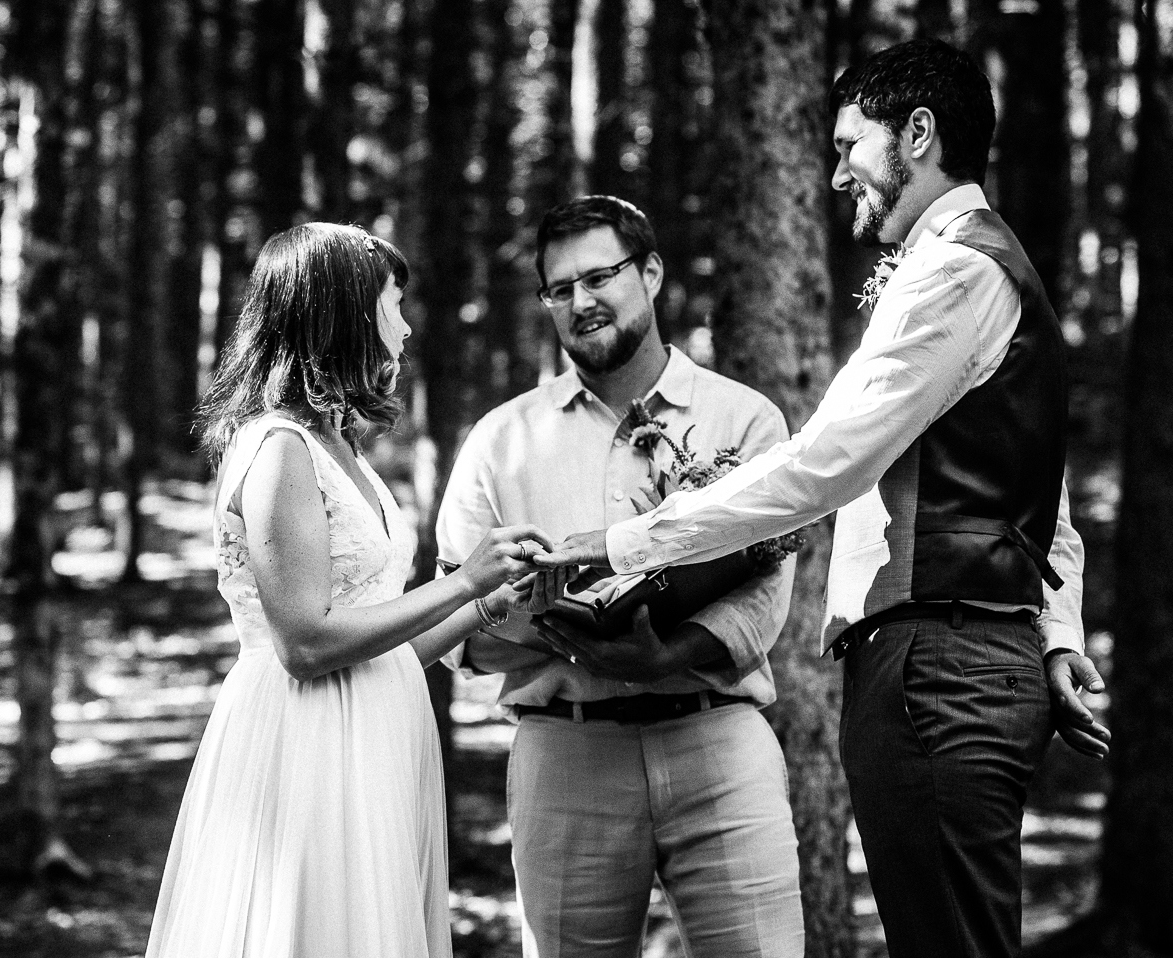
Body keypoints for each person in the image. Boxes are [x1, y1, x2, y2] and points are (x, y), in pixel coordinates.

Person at [534, 41, 1112, 958]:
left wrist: (625, 545)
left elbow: (824, 465)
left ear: (917, 136)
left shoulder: (952, 270)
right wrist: (1057, 635)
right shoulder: (990, 265)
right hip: (968, 659)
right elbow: (1052, 499)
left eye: (851, 145)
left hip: (937, 667)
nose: (836, 172)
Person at [144, 222, 552, 958]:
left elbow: (379, 646)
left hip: (375, 731)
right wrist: (460, 579)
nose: (404, 324)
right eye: (393, 304)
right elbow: (305, 644)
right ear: (345, 312)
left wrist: (484, 603)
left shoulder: (342, 447)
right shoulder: (277, 447)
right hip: (305, 743)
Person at [436, 195, 805, 958]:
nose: (581, 302)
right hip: (564, 756)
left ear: (653, 272)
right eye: (559, 289)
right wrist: (539, 624)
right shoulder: (500, 441)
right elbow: (455, 626)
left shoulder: (745, 422)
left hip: (718, 740)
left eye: (599, 276)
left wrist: (667, 657)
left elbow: (767, 597)